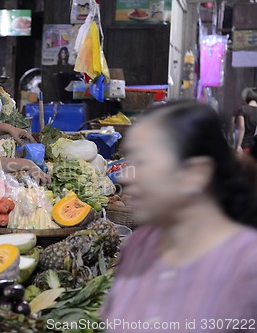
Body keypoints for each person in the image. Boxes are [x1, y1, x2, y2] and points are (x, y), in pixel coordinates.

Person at [101, 101, 257, 332]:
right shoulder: (138, 246)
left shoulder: (247, 266)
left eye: (143, 162)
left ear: (194, 174)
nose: (126, 177)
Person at [235, 87, 257, 153]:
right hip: (255, 144)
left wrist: (239, 145)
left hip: (245, 144)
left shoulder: (242, 109)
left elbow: (241, 127)